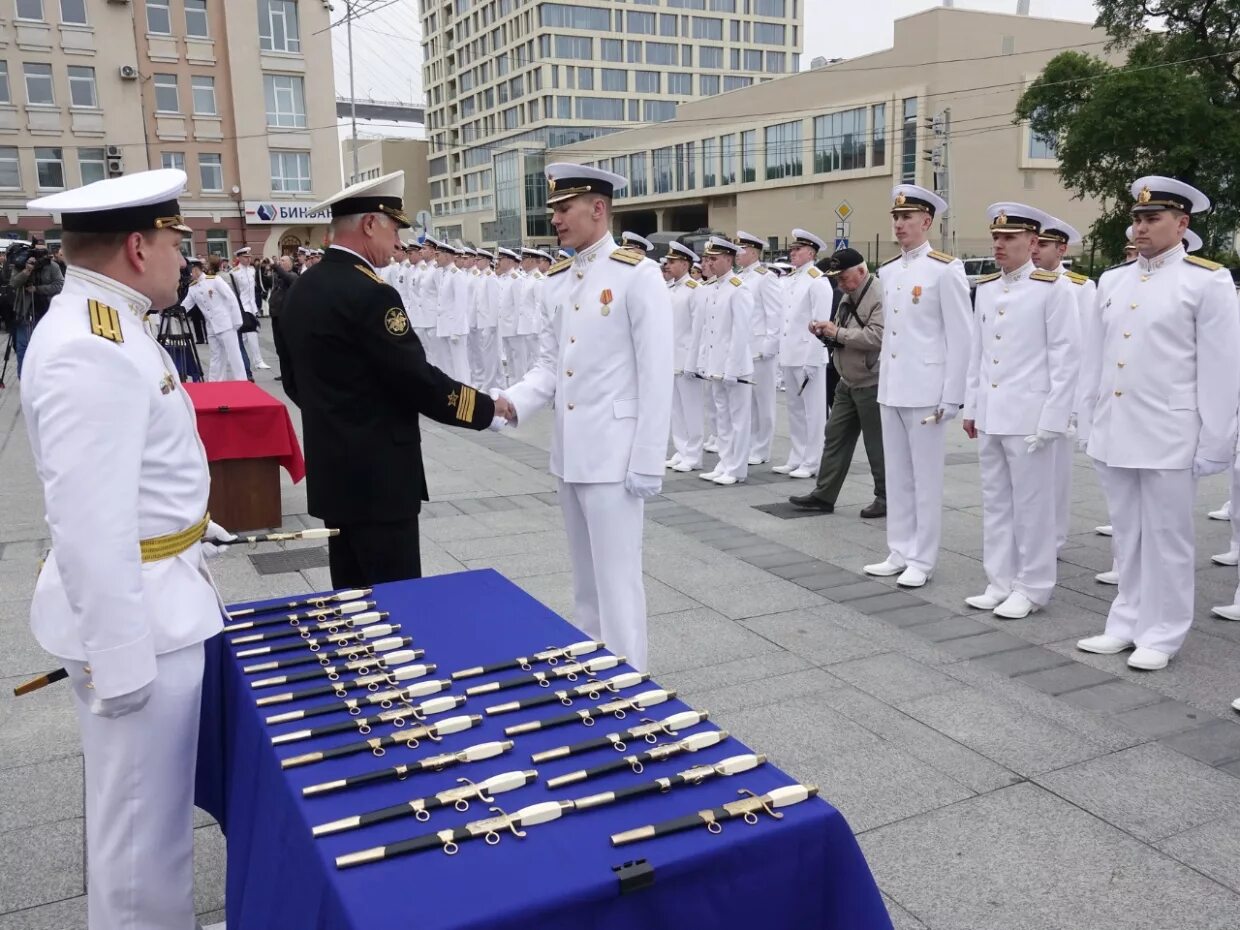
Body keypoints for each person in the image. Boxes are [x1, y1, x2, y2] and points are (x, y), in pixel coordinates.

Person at [21, 168, 235, 930]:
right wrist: (119, 659)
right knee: (142, 829)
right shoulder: (93, 345)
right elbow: (87, 520)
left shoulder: (108, 320)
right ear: (140, 247)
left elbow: (131, 477)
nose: (186, 256)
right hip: (139, 622)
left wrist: (190, 522)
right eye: (179, 240)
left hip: (157, 592)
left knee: (151, 822)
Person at [280, 171, 501, 587]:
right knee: (396, 608)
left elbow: (293, 379)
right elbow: (416, 380)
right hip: (380, 481)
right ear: (369, 225)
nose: (398, 243)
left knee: (351, 602)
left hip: (334, 474)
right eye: (394, 228)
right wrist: (487, 409)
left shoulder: (304, 287)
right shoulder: (371, 293)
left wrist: (337, 418)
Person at [497, 163, 673, 672]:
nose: (555, 218)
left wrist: (646, 462)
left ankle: (632, 687)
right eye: (553, 209)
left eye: (563, 208)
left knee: (618, 583)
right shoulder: (558, 280)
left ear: (598, 208)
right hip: (571, 451)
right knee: (586, 582)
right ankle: (594, 669)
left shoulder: (636, 275)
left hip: (615, 456)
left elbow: (657, 374)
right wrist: (508, 404)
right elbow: (550, 366)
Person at [1076, 176, 1240, 670]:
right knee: (1128, 534)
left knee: (1167, 537)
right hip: (1116, 425)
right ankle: (1125, 620)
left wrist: (1216, 441)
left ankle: (1164, 631)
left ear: (1181, 223)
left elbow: (1220, 366)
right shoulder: (1113, 280)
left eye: (1153, 218)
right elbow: (1096, 358)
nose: (1141, 227)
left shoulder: (1205, 280)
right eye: (1137, 218)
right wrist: (1088, 418)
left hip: (1170, 430)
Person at [962, 203, 1079, 619]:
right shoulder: (989, 286)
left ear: (1033, 243)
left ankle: (1033, 586)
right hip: (993, 413)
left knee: (1032, 507)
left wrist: (1053, 418)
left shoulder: (1053, 288)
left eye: (1009, 238)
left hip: (1029, 416)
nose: (999, 245)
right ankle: (1000, 580)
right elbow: (978, 353)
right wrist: (972, 406)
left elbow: (1066, 358)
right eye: (996, 237)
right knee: (996, 502)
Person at [863, 185, 973, 589]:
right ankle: (899, 549)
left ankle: (922, 558)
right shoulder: (889, 271)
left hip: (927, 389)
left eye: (907, 218)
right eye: (896, 218)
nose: (899, 224)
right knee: (898, 474)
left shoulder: (945, 269)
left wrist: (952, 396)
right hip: (892, 386)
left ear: (927, 222)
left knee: (925, 479)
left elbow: (961, 337)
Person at [791, 247, 886, 516]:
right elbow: (841, 332)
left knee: (876, 445)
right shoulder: (848, 294)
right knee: (834, 437)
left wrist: (838, 333)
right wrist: (825, 333)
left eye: (843, 277)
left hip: (871, 380)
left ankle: (886, 497)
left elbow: (877, 337)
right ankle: (823, 495)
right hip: (847, 379)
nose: (839, 283)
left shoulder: (879, 294)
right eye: (836, 279)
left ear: (861, 271)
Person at [1030, 213, 1094, 555]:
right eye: (1035, 243)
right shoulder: (1028, 284)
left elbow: (1081, 349)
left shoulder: (1081, 288)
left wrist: (1074, 407)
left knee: (1057, 475)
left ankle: (1053, 539)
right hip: (1031, 394)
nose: (1036, 250)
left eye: (1043, 244)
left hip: (1065, 397)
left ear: (1062, 248)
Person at [692, 236, 754, 486]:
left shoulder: (739, 288)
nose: (709, 263)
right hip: (715, 366)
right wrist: (703, 363)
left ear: (729, 259)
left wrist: (731, 367)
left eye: (714, 259)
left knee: (738, 420)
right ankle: (725, 462)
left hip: (734, 367)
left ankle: (737, 468)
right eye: (708, 259)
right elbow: (708, 331)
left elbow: (740, 333)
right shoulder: (713, 288)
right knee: (722, 419)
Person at [773, 228, 832, 479]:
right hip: (790, 354)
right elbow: (784, 320)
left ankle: (812, 461)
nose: (792, 253)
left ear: (811, 252)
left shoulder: (818, 281)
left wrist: (812, 357)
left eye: (797, 250)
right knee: (795, 411)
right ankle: (797, 456)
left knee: (813, 412)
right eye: (792, 249)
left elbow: (821, 324)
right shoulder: (791, 280)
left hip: (808, 356)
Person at [734, 230, 782, 466]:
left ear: (753, 252)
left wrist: (770, 346)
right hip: (745, 348)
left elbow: (774, 313)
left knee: (764, 401)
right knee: (748, 402)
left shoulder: (765, 277)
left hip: (760, 349)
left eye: (741, 250)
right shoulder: (741, 277)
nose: (737, 254)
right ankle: (751, 443)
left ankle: (762, 448)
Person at [664, 242, 704, 473]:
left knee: (691, 409)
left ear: (685, 264)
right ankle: (682, 450)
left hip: (687, 359)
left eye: (672, 262)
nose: (668, 265)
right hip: (671, 358)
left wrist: (693, 361)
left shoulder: (694, 289)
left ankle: (694, 454)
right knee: (676, 410)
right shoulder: (671, 289)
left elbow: (698, 328)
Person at [183, 255, 246, 381]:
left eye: (190, 270)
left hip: (226, 324)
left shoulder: (214, 280)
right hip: (211, 327)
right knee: (216, 356)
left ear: (196, 269)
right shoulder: (193, 287)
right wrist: (174, 310)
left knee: (234, 355)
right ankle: (215, 383)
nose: (189, 274)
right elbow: (186, 305)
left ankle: (241, 381)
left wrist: (237, 321)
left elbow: (231, 298)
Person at [11, 234, 65, 376]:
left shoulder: (52, 266)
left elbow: (60, 285)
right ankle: (24, 378)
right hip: (25, 310)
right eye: (37, 251)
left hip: (47, 311)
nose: (39, 255)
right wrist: (26, 271)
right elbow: (14, 283)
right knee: (22, 346)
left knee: (45, 346)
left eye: (42, 252)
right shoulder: (22, 263)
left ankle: (42, 376)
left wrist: (38, 289)